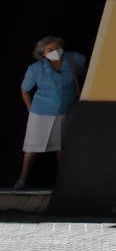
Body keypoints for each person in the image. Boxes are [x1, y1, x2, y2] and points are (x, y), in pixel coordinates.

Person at [16, 36, 86, 189]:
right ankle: (23, 178)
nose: (56, 51)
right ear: (42, 54)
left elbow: (88, 73)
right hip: (41, 111)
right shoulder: (35, 69)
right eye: (50, 49)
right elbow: (25, 90)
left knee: (61, 148)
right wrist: (29, 109)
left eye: (58, 47)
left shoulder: (74, 60)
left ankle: (61, 182)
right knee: (32, 148)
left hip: (66, 111)